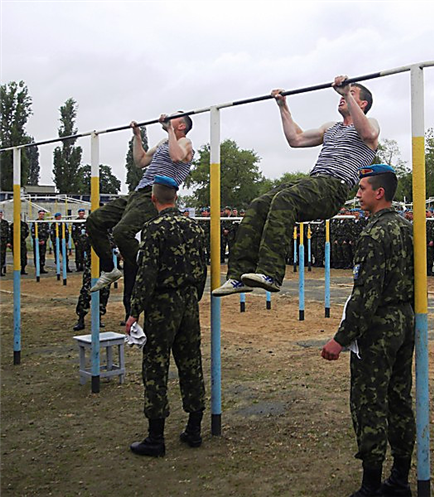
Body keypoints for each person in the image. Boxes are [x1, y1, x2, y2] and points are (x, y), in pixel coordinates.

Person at [213, 75, 379, 296]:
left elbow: (368, 133)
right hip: (313, 181)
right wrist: (283, 106)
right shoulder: (331, 128)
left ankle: (270, 273)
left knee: (284, 200)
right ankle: (238, 276)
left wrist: (346, 92)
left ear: (362, 103)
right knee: (259, 204)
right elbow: (296, 139)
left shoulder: (370, 125)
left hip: (334, 187)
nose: (341, 97)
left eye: (352, 93)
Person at [321, 164, 415, 497]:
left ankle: (371, 485)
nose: (357, 194)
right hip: (405, 318)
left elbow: (366, 294)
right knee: (399, 399)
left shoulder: (375, 232)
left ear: (379, 193)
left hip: (378, 326)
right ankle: (400, 479)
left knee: (369, 402)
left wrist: (341, 339)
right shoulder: (405, 228)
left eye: (362, 189)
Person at [125, 175, 208, 457]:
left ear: (153, 199)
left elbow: (146, 273)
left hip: (162, 304)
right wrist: (192, 297)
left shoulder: (153, 229)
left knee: (155, 367)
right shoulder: (194, 227)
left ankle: (155, 438)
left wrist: (134, 310)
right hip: (188, 303)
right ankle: (194, 429)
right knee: (191, 363)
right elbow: (202, 267)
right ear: (175, 198)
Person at [87, 113, 193, 293]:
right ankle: (109, 269)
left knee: (122, 232)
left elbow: (176, 157)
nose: (168, 118)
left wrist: (169, 131)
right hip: (138, 193)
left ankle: (149, 269)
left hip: (156, 194)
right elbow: (140, 161)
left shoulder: (185, 143)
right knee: (95, 220)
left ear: (181, 126)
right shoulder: (163, 143)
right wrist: (137, 136)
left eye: (173, 118)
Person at [33, 210, 50, 274]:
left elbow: (47, 232)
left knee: (42, 255)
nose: (42, 215)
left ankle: (42, 267)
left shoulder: (45, 223)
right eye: (40, 214)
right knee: (37, 255)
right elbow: (33, 232)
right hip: (37, 242)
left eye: (43, 214)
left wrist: (44, 240)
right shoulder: (35, 222)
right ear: (38, 214)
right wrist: (37, 241)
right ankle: (37, 268)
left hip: (43, 242)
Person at [0, 210, 9, 276]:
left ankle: (0, 271)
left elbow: (8, 233)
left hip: (3, 242)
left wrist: (8, 242)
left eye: (0, 214)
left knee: (2, 257)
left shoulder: (5, 223)